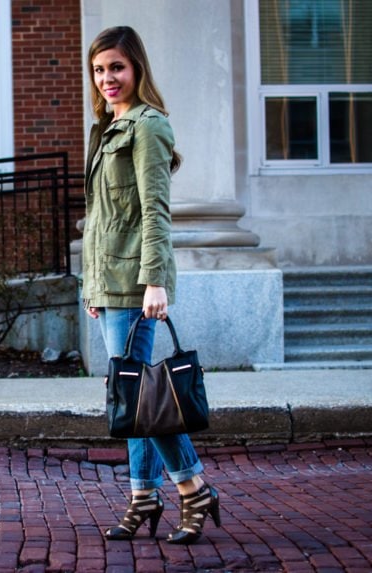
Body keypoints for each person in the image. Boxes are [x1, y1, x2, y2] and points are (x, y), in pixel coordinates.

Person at [81, 26, 220, 545]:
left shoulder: (148, 126)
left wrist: (155, 281)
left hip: (137, 284)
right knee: (131, 396)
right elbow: (101, 217)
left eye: (116, 67)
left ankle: (192, 487)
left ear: (136, 67)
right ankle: (144, 495)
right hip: (110, 283)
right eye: (99, 70)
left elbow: (154, 213)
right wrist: (92, 285)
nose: (107, 78)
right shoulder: (106, 127)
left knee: (141, 396)